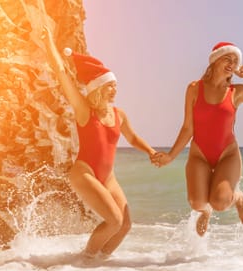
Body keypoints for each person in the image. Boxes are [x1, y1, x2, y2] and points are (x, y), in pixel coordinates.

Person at [42, 26, 157, 258]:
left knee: (124, 225)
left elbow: (132, 137)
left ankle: (99, 264)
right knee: (113, 220)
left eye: (115, 85)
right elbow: (62, 73)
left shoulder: (119, 114)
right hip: (84, 172)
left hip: (108, 177)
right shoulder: (85, 111)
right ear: (98, 88)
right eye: (110, 85)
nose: (115, 89)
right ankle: (85, 260)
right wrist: (49, 45)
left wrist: (151, 152)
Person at [152, 42, 243, 236]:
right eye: (227, 59)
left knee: (220, 202)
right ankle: (206, 211)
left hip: (227, 154)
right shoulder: (194, 88)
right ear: (214, 61)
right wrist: (171, 156)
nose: (232, 64)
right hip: (200, 154)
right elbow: (188, 127)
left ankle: (237, 197)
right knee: (197, 203)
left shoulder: (237, 92)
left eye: (235, 61)